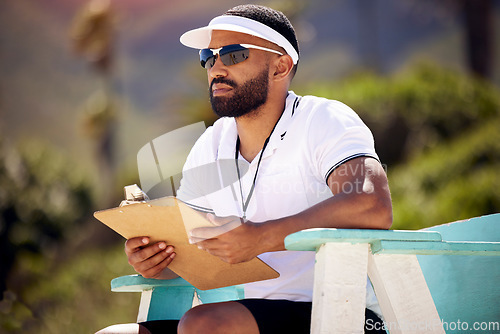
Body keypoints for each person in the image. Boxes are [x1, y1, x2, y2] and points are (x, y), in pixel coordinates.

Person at [97, 4, 392, 334]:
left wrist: (261, 237)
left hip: (341, 315)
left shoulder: (322, 119)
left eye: (234, 55)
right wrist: (158, 260)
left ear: (280, 66)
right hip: (245, 318)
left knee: (203, 323)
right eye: (208, 58)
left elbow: (372, 204)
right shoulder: (212, 143)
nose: (216, 68)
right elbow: (197, 247)